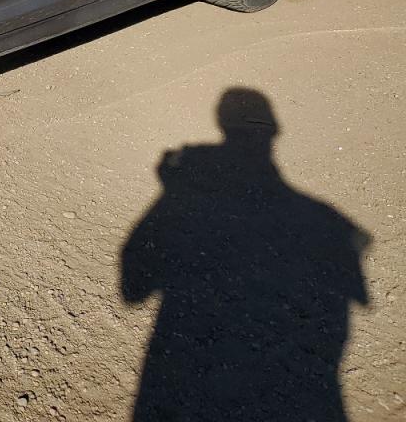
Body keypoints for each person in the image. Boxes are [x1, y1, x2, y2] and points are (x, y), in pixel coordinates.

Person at [120, 88, 370, 421]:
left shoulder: (327, 222)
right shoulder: (329, 222)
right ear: (274, 132)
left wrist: (173, 191)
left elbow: (134, 288)